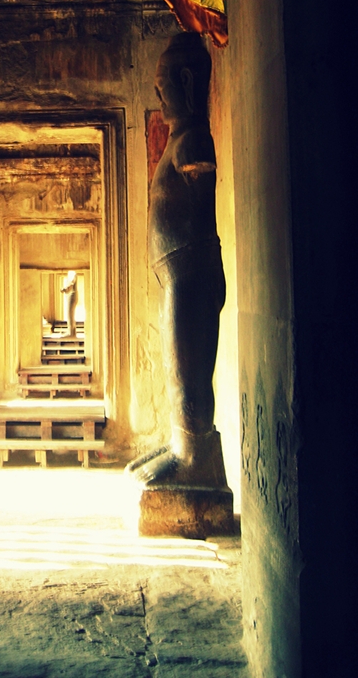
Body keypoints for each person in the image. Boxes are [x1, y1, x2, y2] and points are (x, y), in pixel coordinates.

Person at [127, 32, 228, 487]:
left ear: (186, 82)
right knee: (175, 368)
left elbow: (203, 217)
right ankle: (180, 446)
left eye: (162, 82)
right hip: (180, 275)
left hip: (191, 273)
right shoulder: (178, 142)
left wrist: (205, 275)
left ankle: (195, 461)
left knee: (188, 374)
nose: (158, 93)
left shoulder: (193, 142)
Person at [60, 270, 78, 338]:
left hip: (72, 295)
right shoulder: (71, 272)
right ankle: (73, 332)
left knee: (69, 314)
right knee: (71, 315)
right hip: (71, 295)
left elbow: (71, 283)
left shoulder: (72, 271)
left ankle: (70, 333)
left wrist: (64, 289)